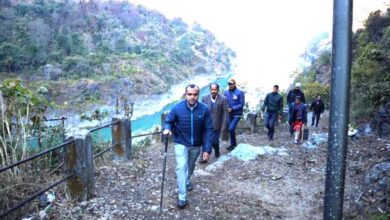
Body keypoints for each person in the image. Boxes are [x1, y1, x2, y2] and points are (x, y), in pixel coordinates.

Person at [163, 84, 213, 209]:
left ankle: (187, 179)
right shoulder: (177, 108)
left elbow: (209, 129)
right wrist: (167, 129)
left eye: (195, 94)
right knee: (181, 167)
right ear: (185, 94)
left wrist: (207, 149)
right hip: (180, 143)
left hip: (196, 144)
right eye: (189, 94)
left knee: (190, 167)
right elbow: (168, 121)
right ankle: (182, 196)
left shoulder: (204, 109)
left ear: (198, 95)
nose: (192, 97)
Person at [201, 83, 228, 159]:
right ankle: (204, 156)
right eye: (212, 89)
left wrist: (223, 126)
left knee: (214, 141)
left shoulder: (223, 99)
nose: (213, 91)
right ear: (210, 90)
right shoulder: (204, 98)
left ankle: (217, 150)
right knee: (205, 140)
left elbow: (225, 113)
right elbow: (201, 111)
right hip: (206, 125)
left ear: (218, 90)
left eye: (215, 89)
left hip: (217, 125)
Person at [224, 78, 245, 151]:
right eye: (229, 84)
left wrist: (233, 108)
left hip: (237, 114)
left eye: (231, 84)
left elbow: (242, 104)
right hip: (229, 114)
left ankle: (233, 144)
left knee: (231, 128)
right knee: (231, 129)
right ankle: (233, 144)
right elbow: (224, 102)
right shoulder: (226, 92)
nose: (230, 85)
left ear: (235, 84)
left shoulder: (240, 92)